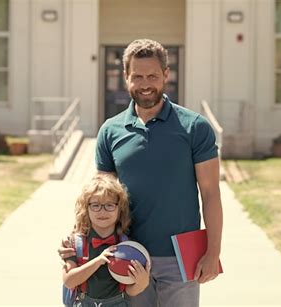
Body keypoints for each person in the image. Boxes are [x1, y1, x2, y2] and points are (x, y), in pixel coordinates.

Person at [60, 38, 223, 306]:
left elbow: (211, 193)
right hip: (127, 254)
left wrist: (212, 252)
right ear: (126, 77)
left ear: (166, 75)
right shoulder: (110, 131)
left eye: (152, 76)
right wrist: (76, 242)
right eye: (137, 76)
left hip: (182, 257)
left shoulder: (195, 127)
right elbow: (101, 198)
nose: (145, 84)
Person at [62, 174, 151, 307]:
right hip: (84, 302)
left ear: (119, 209)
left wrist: (141, 284)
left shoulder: (127, 245)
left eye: (109, 205)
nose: (102, 211)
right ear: (86, 209)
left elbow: (129, 291)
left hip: (117, 303)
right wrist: (99, 260)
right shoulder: (76, 243)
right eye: (95, 205)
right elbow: (69, 281)